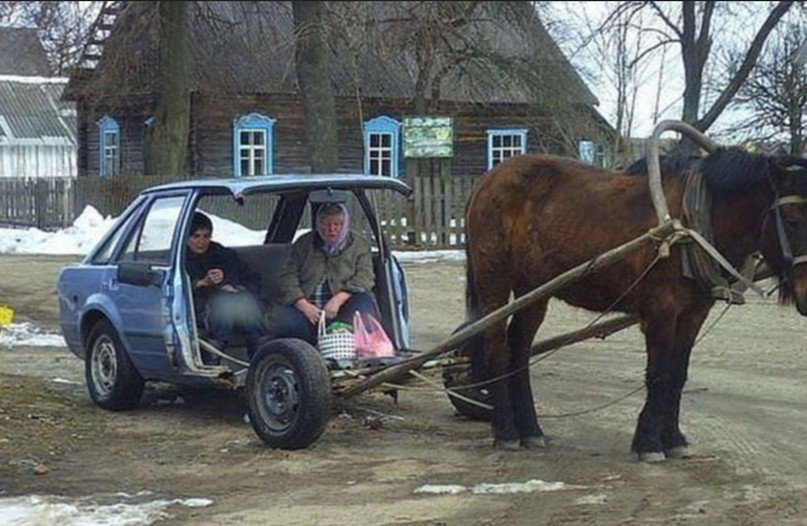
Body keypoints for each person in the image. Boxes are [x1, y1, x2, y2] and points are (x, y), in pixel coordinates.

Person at [274, 202, 379, 345]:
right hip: (307, 309)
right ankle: (306, 355)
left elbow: (365, 277)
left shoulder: (359, 245)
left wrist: (338, 299)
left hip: (343, 307)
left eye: (337, 225)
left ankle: (354, 348)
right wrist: (303, 305)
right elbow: (287, 277)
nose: (331, 230)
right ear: (318, 224)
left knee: (363, 305)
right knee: (284, 320)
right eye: (326, 224)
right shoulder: (303, 244)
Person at [185, 211, 271, 361]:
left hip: (238, 306)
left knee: (242, 303)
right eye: (196, 236)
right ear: (186, 238)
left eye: (206, 236)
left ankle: (260, 361)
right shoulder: (181, 259)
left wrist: (236, 288)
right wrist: (202, 283)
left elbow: (252, 278)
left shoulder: (223, 254)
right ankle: (214, 357)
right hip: (200, 309)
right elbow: (178, 288)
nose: (201, 242)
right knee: (224, 303)